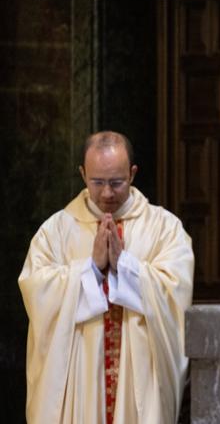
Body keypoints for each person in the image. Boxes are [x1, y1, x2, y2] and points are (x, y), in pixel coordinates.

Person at [18, 131, 194, 423]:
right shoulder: (55, 231)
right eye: (97, 182)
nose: (107, 193)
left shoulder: (165, 228)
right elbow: (37, 291)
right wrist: (91, 269)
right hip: (81, 377)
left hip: (138, 378)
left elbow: (174, 292)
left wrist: (125, 266)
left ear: (132, 173)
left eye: (116, 182)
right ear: (82, 173)